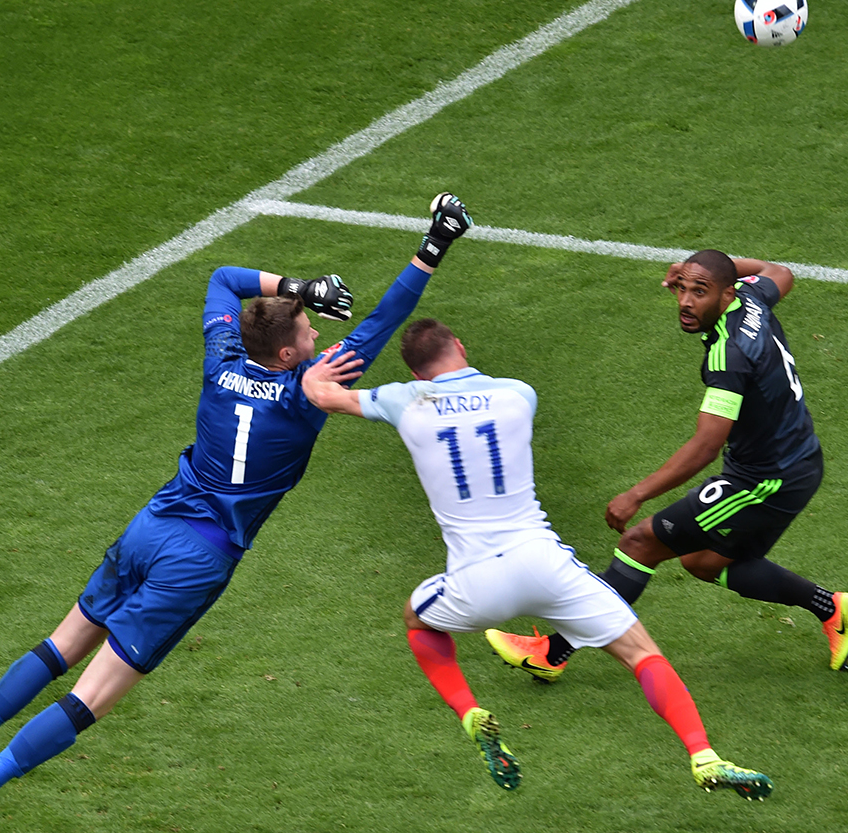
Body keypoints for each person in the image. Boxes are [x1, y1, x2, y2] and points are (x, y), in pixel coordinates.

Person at [0, 193, 474, 832]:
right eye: (309, 331)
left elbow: (222, 279)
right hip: (199, 557)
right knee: (90, 695)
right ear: (292, 356)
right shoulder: (306, 392)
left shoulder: (222, 362)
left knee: (62, 644)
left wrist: (299, 288)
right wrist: (433, 247)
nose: (319, 333)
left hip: (151, 524)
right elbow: (384, 320)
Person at [302, 318, 773, 799]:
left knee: (417, 620)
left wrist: (314, 369)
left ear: (418, 374)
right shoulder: (517, 393)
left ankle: (470, 714)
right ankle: (703, 756)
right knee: (641, 653)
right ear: (461, 347)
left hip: (474, 581)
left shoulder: (406, 401)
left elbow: (321, 395)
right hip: (544, 563)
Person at [485, 250, 848, 684]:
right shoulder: (751, 297)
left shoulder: (730, 356)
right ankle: (833, 608)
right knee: (702, 562)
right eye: (682, 288)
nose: (685, 301)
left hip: (763, 480)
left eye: (699, 292)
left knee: (639, 543)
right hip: (796, 463)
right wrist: (706, 271)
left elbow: (706, 446)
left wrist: (637, 494)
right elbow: (779, 271)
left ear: (725, 294)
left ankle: (553, 652)